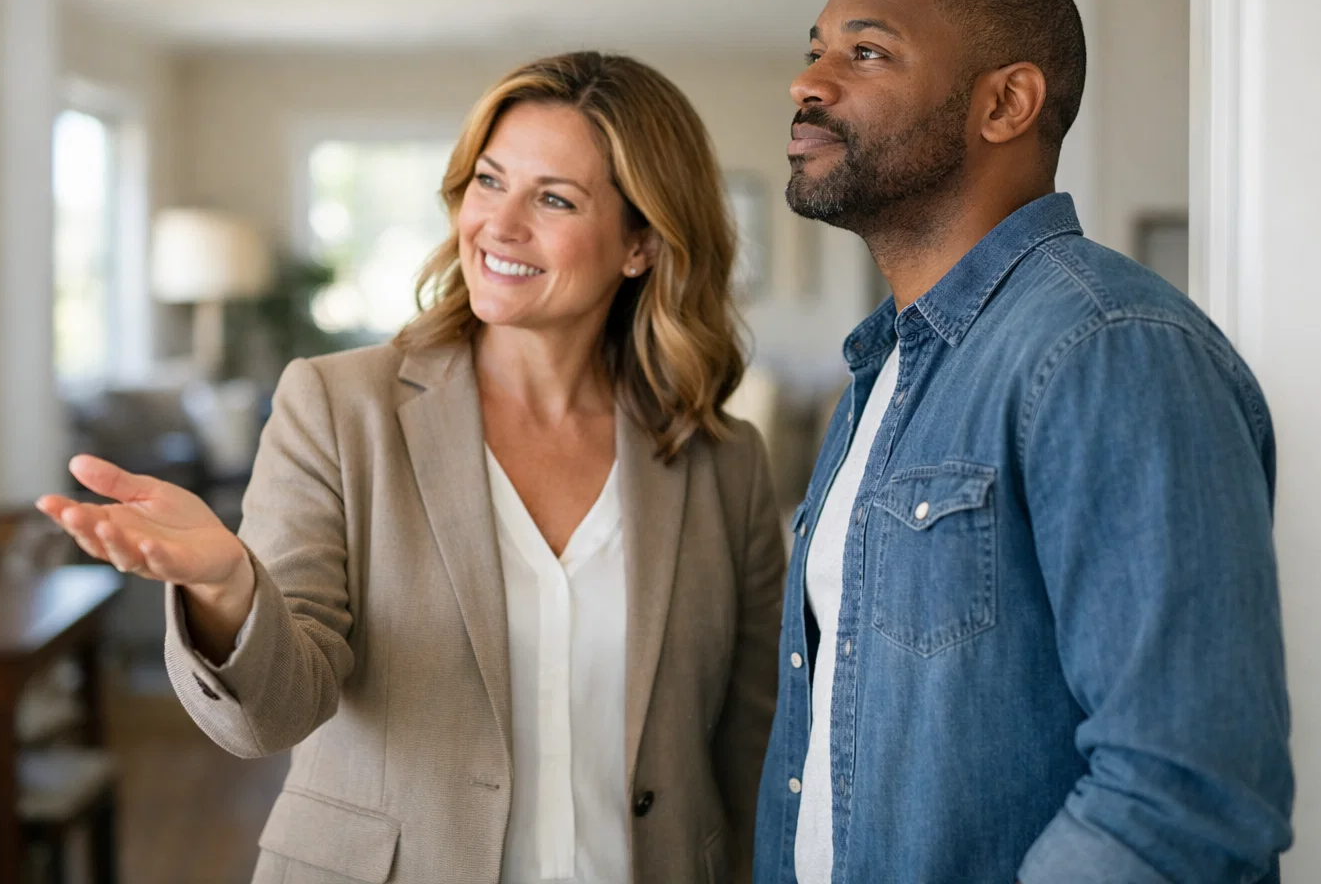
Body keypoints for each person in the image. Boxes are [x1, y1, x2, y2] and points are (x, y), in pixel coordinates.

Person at [38, 51, 785, 884]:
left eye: (554, 199)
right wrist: (226, 589)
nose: (499, 225)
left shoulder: (723, 462)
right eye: (489, 181)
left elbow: (752, 745)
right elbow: (273, 716)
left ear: (641, 243)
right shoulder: (336, 406)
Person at [754, 0, 1293, 884]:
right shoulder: (882, 369)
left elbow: (1185, 790)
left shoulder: (1108, 347)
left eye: (866, 52)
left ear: (1006, 103)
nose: (809, 83)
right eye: (815, 49)